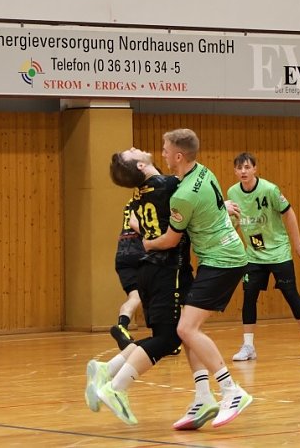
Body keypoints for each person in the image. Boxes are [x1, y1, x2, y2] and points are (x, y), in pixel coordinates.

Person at [143, 128, 252, 430]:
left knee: (186, 328)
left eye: (165, 149)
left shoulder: (183, 197)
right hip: (220, 256)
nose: (162, 153)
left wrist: (143, 242)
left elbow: (168, 240)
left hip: (223, 261)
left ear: (178, 156)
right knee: (188, 329)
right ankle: (203, 397)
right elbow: (215, 206)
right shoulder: (203, 171)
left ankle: (231, 390)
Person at [84, 148, 193, 425]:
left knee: (164, 336)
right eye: (134, 152)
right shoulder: (168, 185)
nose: (137, 148)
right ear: (143, 165)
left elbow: (141, 225)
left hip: (148, 271)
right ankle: (117, 387)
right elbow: (194, 202)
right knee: (170, 339)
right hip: (167, 270)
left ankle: (107, 369)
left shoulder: (137, 197)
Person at [226, 152, 300, 362]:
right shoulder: (232, 192)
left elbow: (289, 213)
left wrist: (297, 243)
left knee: (290, 293)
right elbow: (235, 221)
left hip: (278, 251)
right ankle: (248, 346)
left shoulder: (269, 189)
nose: (243, 171)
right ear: (235, 171)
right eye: (239, 168)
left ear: (254, 169)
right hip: (253, 254)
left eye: (247, 167)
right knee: (249, 297)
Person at [109, 195, 144, 350]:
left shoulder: (131, 201)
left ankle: (122, 325)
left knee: (135, 296)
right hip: (139, 253)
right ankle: (166, 337)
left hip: (122, 254)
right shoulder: (146, 199)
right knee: (158, 293)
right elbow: (134, 222)